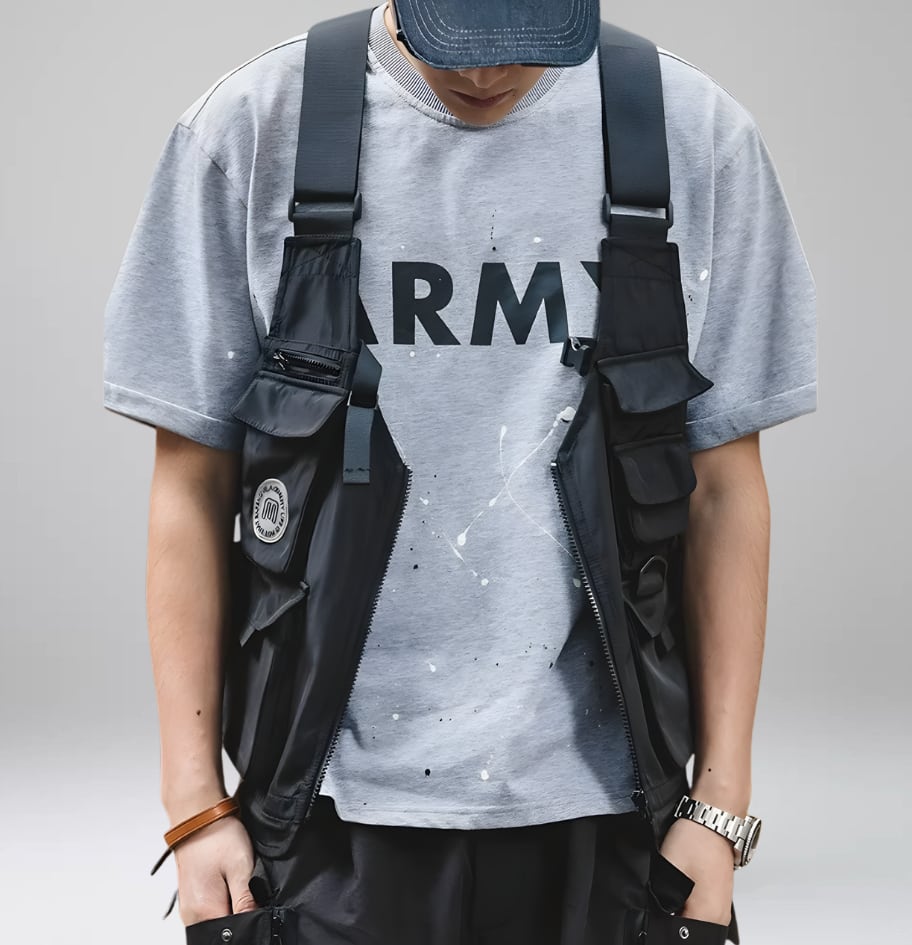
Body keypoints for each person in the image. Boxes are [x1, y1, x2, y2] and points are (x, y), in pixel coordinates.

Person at [103, 0, 816, 942]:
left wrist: (718, 808)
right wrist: (195, 806)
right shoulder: (250, 131)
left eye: (522, 44)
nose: (484, 75)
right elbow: (191, 488)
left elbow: (723, 489)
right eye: (455, 41)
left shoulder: (696, 137)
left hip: (614, 815)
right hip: (321, 811)